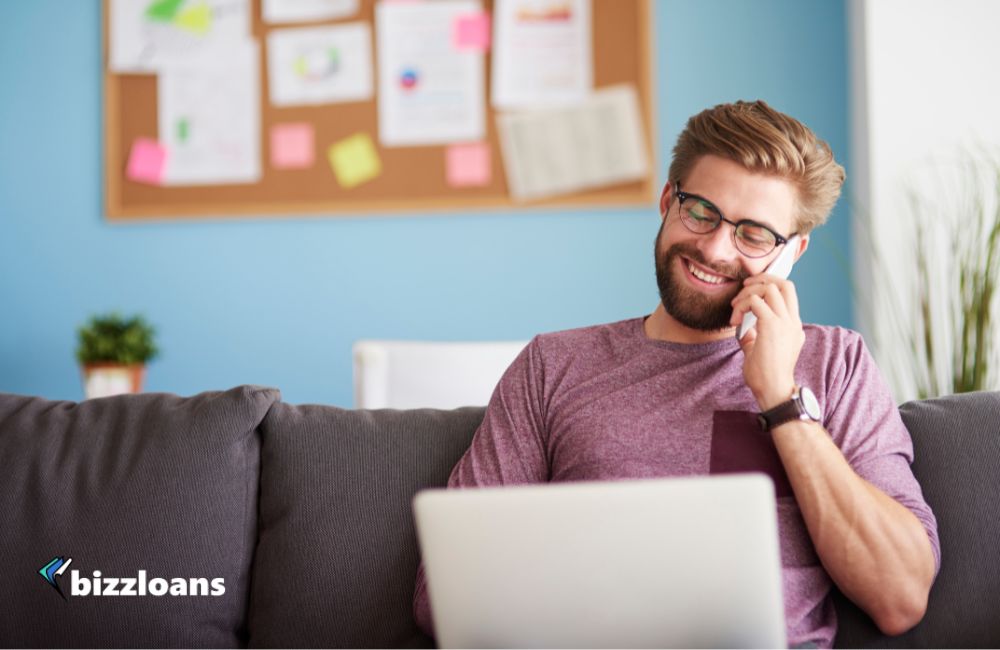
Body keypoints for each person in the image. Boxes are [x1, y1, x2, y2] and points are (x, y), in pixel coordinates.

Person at [412, 100, 939, 648]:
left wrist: (781, 398)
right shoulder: (553, 365)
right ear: (668, 201)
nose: (714, 248)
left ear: (792, 253)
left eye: (754, 234)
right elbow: (443, 598)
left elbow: (899, 597)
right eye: (701, 212)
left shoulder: (837, 364)